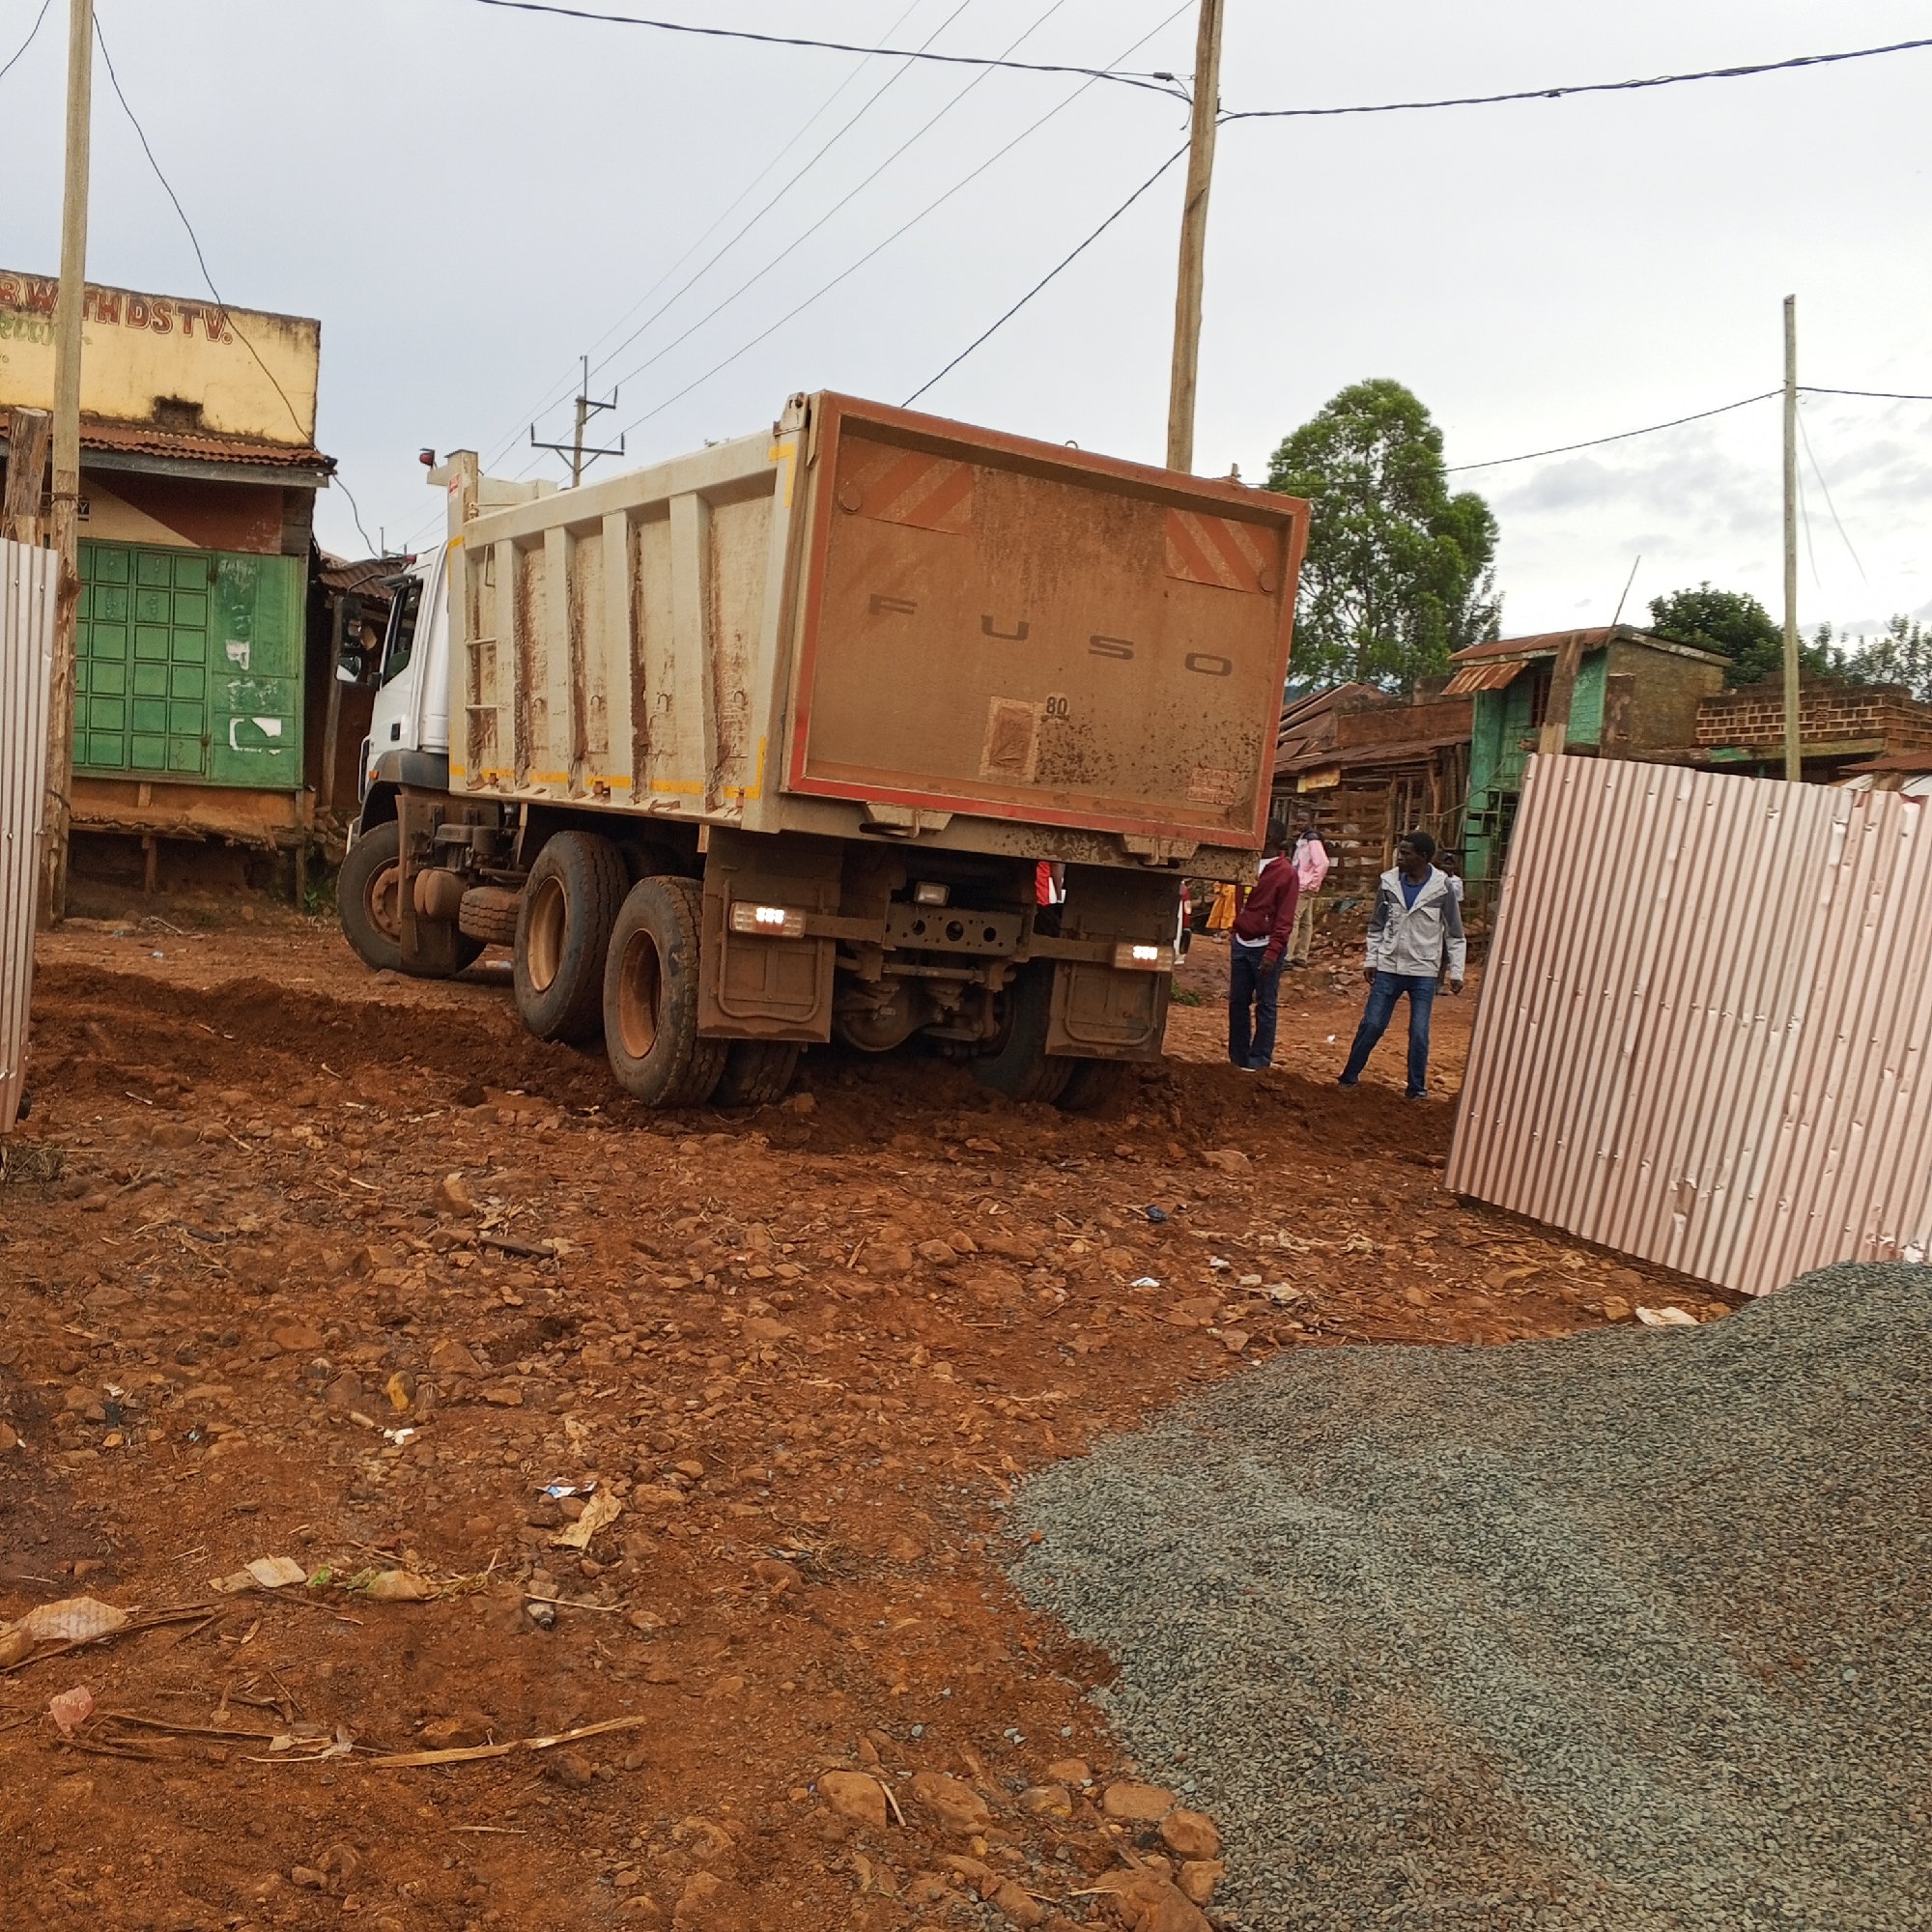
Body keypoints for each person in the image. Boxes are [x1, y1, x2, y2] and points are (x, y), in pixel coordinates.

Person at [1337, 828, 1464, 1099]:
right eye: (1400, 852)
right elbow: (1376, 926)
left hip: (1423, 971)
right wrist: (1371, 959)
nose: (1400, 857)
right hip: (1389, 967)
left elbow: (1455, 934)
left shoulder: (1442, 887)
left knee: (1419, 1032)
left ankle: (1416, 1089)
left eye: (1406, 853)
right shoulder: (1388, 883)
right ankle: (1348, 1077)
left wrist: (1457, 971)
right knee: (1372, 1024)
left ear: (1424, 857)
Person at [1228, 831, 1299, 1071]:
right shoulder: (1248, 864)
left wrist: (1273, 951)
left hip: (1265, 946)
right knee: (1237, 1002)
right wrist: (1236, 932)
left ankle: (1259, 1059)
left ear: (1268, 839)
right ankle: (1237, 1057)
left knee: (1266, 1004)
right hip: (1242, 942)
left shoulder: (1286, 873)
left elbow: (1285, 917)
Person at [1285, 820, 1329, 969]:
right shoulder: (1303, 839)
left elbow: (1323, 863)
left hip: (1303, 886)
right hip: (1302, 884)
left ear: (1310, 822)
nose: (1300, 823)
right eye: (1298, 819)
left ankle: (1287, 956)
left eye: (1304, 820)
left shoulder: (1313, 840)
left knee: (1293, 919)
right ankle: (1301, 956)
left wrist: (1313, 884)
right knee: (1305, 922)